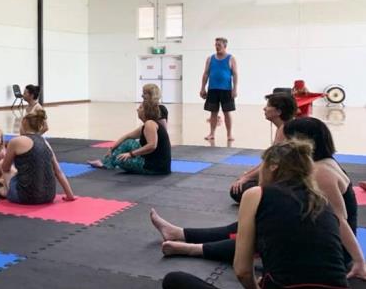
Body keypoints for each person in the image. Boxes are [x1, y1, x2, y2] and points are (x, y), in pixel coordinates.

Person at [162, 140, 358, 289]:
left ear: (273, 166)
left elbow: (243, 271)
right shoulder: (321, 201)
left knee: (175, 282)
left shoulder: (257, 194)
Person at [150, 118, 366, 277]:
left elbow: (340, 220)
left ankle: (192, 248)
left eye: (284, 138)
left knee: (262, 235)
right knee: (249, 224)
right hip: (320, 236)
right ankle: (180, 234)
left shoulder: (322, 172)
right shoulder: (321, 163)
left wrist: (357, 260)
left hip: (333, 251)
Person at [0, 109, 76, 204]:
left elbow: (5, 168)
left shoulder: (16, 141)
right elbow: (58, 171)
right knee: (19, 172)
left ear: (23, 124)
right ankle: (4, 189)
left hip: (24, 197)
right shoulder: (45, 142)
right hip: (49, 196)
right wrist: (70, 195)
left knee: (2, 164)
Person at [229, 93, 297, 203]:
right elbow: (267, 161)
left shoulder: (285, 129)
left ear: (278, 112)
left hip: (288, 182)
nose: (264, 109)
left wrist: (247, 177)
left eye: (268, 106)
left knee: (238, 190)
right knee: (242, 183)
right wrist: (247, 176)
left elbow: (271, 163)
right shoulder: (285, 127)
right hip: (283, 178)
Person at [88, 101, 171, 175]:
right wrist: (112, 148)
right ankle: (106, 163)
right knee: (129, 142)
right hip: (153, 160)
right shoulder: (148, 124)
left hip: (156, 168)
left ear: (146, 111)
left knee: (119, 160)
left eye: (140, 108)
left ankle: (108, 163)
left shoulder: (150, 124)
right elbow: (127, 136)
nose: (137, 110)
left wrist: (131, 154)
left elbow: (152, 146)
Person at [200, 37, 238, 142]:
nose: (217, 47)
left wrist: (235, 89)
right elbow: (206, 74)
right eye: (216, 45)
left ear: (225, 46)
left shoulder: (231, 58)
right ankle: (211, 133)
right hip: (213, 89)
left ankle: (229, 134)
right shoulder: (210, 58)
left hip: (226, 90)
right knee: (213, 113)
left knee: (227, 112)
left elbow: (235, 74)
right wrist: (202, 88)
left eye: (219, 45)